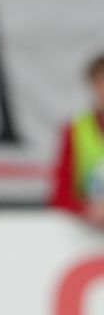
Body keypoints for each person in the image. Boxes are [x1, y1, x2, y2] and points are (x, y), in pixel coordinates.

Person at [50, 54, 104, 226]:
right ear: (92, 86)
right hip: (84, 228)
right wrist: (85, 209)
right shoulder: (76, 129)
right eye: (101, 83)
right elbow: (60, 193)